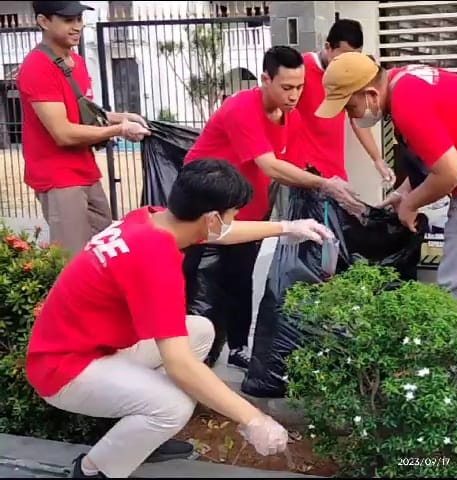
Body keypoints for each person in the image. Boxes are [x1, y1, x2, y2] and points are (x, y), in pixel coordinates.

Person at [25, 158, 334, 479]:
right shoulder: (156, 260)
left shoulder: (150, 219)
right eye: (231, 214)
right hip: (63, 370)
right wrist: (254, 419)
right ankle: (92, 471)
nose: (233, 220)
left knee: (199, 330)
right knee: (173, 406)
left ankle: (142, 436)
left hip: (89, 345)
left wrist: (287, 227)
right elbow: (180, 366)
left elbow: (221, 233)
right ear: (212, 217)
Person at [315, 53, 457, 347]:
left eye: (350, 106)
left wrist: (411, 204)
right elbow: (438, 154)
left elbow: (449, 172)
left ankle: (448, 383)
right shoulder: (404, 81)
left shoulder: (408, 103)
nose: (351, 115)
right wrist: (404, 193)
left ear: (370, 93)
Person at [182, 45, 363, 369]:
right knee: (199, 282)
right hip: (203, 209)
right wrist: (324, 183)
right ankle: (191, 355)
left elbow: (294, 164)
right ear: (265, 79)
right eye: (287, 87)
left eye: (300, 87)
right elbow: (270, 166)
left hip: (246, 210)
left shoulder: (288, 116)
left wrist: (330, 188)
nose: (294, 96)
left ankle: (237, 348)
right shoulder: (242, 108)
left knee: (240, 280)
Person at [18, 1, 151, 258]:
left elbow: (83, 114)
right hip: (58, 179)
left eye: (79, 19)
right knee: (74, 260)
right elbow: (64, 133)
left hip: (85, 171)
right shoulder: (38, 67)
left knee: (106, 249)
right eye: (68, 20)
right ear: (44, 22)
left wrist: (121, 117)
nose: (77, 26)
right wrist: (119, 130)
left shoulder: (75, 61)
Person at [297, 18, 394, 184]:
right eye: (344, 55)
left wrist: (377, 159)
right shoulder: (300, 69)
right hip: (307, 173)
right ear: (328, 47)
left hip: (336, 172)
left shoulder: (353, 73)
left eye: (355, 56)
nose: (349, 62)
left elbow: (357, 118)